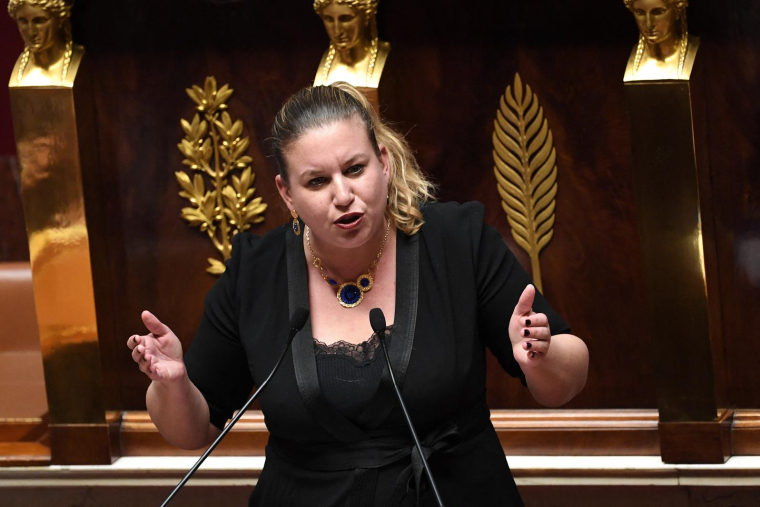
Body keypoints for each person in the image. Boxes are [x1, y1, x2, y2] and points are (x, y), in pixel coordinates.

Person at [128, 82, 589, 506]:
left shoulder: (456, 242)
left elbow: (566, 380)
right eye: (317, 181)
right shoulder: (256, 271)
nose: (343, 195)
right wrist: (172, 386)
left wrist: (541, 358)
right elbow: (194, 430)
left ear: (384, 163)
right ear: (287, 194)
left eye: (355, 169)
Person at [312, 0, 391, 89]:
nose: (337, 31)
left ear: (366, 15)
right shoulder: (311, 63)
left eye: (345, 19)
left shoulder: (392, 63)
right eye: (329, 19)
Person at [7, 0, 84, 87]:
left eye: (39, 21)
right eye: (23, 21)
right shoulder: (19, 72)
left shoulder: (79, 60)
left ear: (60, 19)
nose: (31, 32)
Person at [622, 0, 700, 81]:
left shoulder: (703, 56)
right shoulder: (622, 58)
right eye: (640, 13)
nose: (649, 24)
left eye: (657, 12)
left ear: (677, 11)